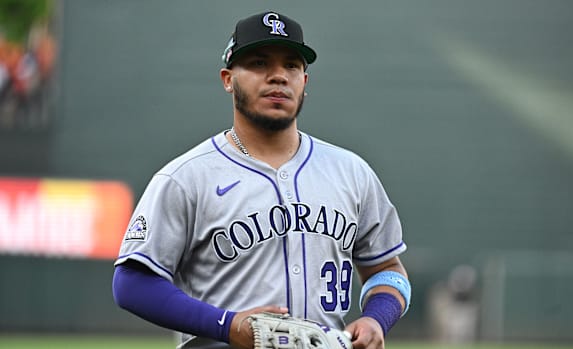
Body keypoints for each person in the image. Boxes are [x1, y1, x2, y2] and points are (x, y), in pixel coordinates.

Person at [112, 11, 411, 349]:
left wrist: (377, 319)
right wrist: (227, 325)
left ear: (304, 83)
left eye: (292, 66)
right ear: (228, 79)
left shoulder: (352, 172)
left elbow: (388, 270)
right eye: (258, 63)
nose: (278, 76)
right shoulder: (186, 177)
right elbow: (132, 283)